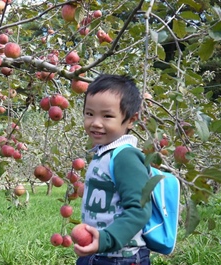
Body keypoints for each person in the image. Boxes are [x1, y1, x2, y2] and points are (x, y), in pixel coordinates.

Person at [75, 74, 152, 265]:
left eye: (107, 116)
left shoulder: (125, 157)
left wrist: (106, 239)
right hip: (98, 252)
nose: (96, 123)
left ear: (131, 120)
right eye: (89, 113)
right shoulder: (104, 152)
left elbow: (139, 210)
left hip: (121, 258)